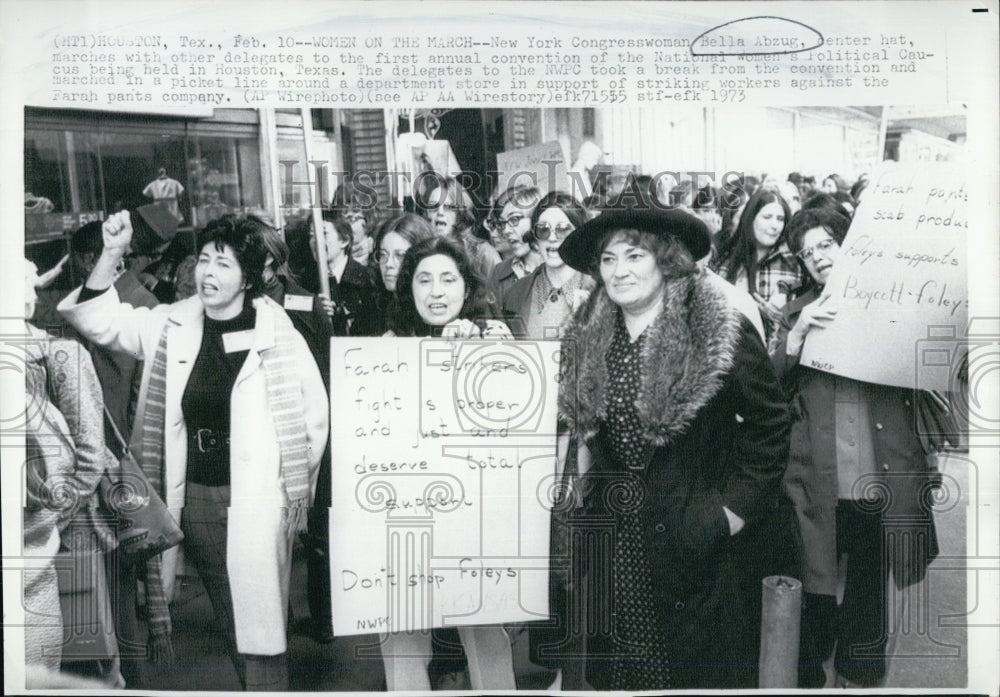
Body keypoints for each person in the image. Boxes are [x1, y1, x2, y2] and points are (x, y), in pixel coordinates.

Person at [58, 211, 329, 691]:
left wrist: (289, 494)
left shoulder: (279, 332)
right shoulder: (172, 323)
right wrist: (112, 252)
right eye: (204, 260)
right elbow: (98, 319)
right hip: (200, 496)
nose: (208, 273)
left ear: (250, 276)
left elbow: (312, 422)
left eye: (224, 264)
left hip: (262, 498)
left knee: (258, 619)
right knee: (234, 615)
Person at [547, 207, 791, 690]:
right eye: (609, 259)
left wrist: (730, 511)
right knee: (620, 669)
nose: (620, 271)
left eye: (635, 255)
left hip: (693, 536)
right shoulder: (587, 333)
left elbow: (771, 422)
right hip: (615, 542)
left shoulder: (716, 329)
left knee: (686, 669)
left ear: (665, 260)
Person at [771, 209, 939, 688]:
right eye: (807, 252)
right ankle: (812, 669)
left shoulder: (897, 304)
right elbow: (768, 391)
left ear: (850, 243)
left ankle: (860, 674)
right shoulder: (798, 311)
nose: (818, 257)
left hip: (880, 472)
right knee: (813, 581)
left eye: (826, 244)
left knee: (869, 582)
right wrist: (797, 336)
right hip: (818, 475)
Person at [381, 236, 515, 691]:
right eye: (424, 280)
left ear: (466, 287)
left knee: (483, 631)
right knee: (401, 634)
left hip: (473, 520)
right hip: (404, 516)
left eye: (447, 279)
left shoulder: (494, 337)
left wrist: (491, 355)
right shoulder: (386, 346)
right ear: (409, 288)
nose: (436, 292)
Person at [23, 258, 116, 682]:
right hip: (39, 537)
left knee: (91, 649)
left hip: (70, 525)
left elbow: (91, 454)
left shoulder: (60, 354)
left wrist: (47, 518)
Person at [254, 216, 337, 643]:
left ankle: (324, 617)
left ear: (269, 258)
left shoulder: (304, 304)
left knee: (315, 534)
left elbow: (324, 374)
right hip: (258, 438)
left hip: (307, 432)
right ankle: (276, 616)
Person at [500, 192, 595, 340]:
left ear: (580, 236)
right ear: (535, 240)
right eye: (543, 230)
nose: (552, 238)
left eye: (562, 229)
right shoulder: (514, 295)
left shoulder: (601, 292)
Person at [711, 189, 803, 338]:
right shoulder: (725, 261)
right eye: (767, 217)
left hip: (775, 354)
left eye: (780, 219)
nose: (775, 225)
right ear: (751, 218)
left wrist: (781, 316)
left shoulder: (793, 263)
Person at [310, 211, 382, 337]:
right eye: (311, 235)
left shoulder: (369, 280)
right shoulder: (306, 282)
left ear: (344, 241)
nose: (315, 241)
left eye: (324, 234)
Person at [424, 176, 501, 282]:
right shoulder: (422, 252)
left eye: (449, 207)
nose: (440, 213)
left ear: (460, 214)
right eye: (433, 207)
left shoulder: (484, 254)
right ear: (426, 214)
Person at [484, 185, 544, 301]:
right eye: (503, 223)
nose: (506, 230)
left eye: (514, 219)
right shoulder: (499, 272)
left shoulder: (561, 266)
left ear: (537, 219)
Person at [330, 180, 378, 267]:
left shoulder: (378, 257)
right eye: (341, 218)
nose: (345, 226)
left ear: (368, 220)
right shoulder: (330, 260)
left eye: (352, 218)